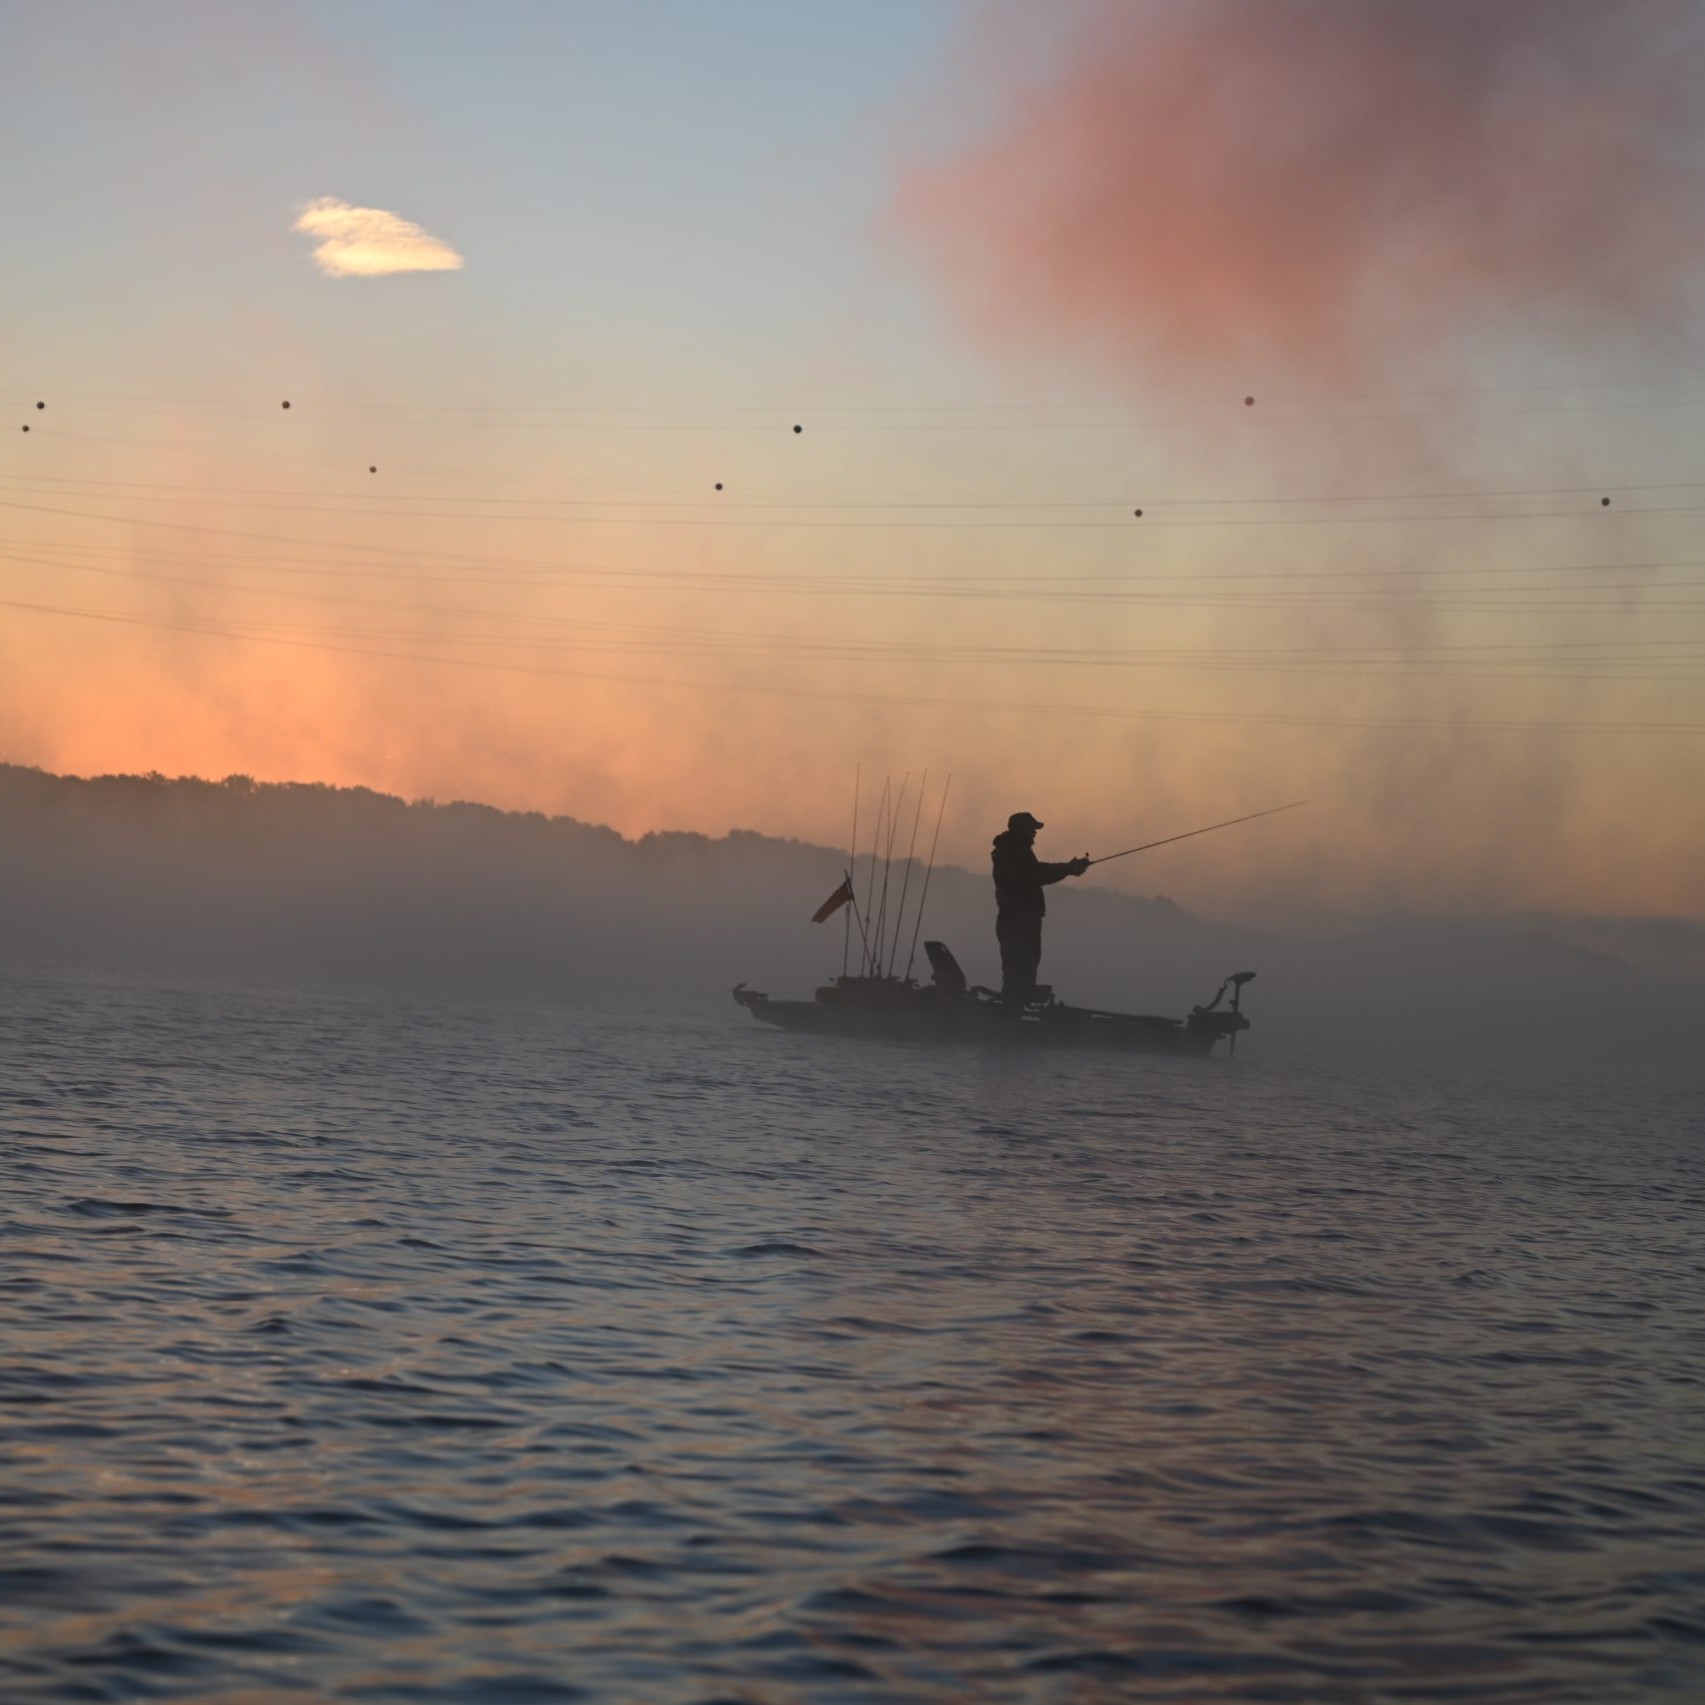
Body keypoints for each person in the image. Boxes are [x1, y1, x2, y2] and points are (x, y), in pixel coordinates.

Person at [990, 812, 1089, 1007]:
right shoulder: (1012, 853)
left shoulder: (1017, 851)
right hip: (1017, 923)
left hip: (1021, 922)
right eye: (1031, 829)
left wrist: (1069, 868)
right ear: (1020, 830)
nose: (1035, 833)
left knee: (1023, 974)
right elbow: (1037, 874)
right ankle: (1010, 1015)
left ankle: (1013, 1012)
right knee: (1018, 974)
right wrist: (1069, 868)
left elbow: (1036, 872)